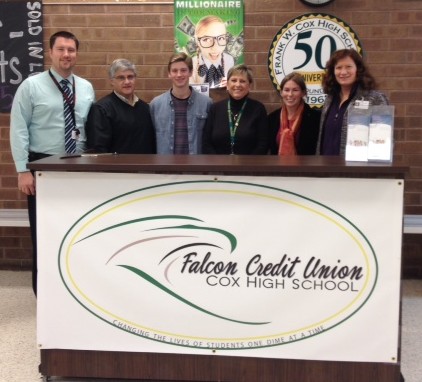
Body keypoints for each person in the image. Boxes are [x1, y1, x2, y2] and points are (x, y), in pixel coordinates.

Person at [9, 31, 95, 295]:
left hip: (76, 167)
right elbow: (19, 129)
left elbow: (87, 129)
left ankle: (73, 290)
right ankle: (44, 295)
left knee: (76, 229)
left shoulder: (86, 87)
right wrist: (23, 170)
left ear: (76, 53)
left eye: (71, 49)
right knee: (44, 232)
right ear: (50, 52)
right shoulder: (31, 86)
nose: (66, 54)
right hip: (42, 168)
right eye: (61, 49)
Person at [316, 48, 389, 155]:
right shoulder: (330, 99)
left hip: (357, 168)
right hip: (326, 167)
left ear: (358, 69)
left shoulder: (375, 99)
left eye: (348, 67)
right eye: (338, 67)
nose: (343, 72)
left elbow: (383, 139)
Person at [86, 59, 156, 154]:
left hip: (144, 167)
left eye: (130, 77)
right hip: (116, 168)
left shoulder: (145, 109)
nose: (127, 82)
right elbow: (98, 149)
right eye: (121, 78)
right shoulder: (102, 109)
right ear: (112, 81)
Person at [150, 52, 213, 154]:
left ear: (191, 72)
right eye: (174, 71)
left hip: (195, 167)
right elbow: (151, 140)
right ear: (169, 74)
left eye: (183, 70)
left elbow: (209, 141)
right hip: (166, 167)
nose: (179, 75)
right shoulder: (156, 105)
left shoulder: (206, 103)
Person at [202, 64, 269, 155]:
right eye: (233, 80)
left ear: (249, 86)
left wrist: (247, 165)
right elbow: (206, 143)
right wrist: (218, 164)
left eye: (242, 81)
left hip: (249, 166)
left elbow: (263, 144)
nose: (237, 84)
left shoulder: (258, 109)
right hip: (218, 166)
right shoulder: (215, 109)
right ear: (228, 84)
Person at [268, 72, 321, 155]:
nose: (290, 94)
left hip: (307, 167)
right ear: (281, 92)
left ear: (303, 93)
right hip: (278, 167)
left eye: (295, 90)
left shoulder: (315, 118)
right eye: (286, 90)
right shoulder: (272, 118)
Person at [190, 15, 235, 88]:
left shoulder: (229, 60)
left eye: (221, 38)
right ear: (197, 41)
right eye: (206, 39)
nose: (215, 47)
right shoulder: (191, 65)